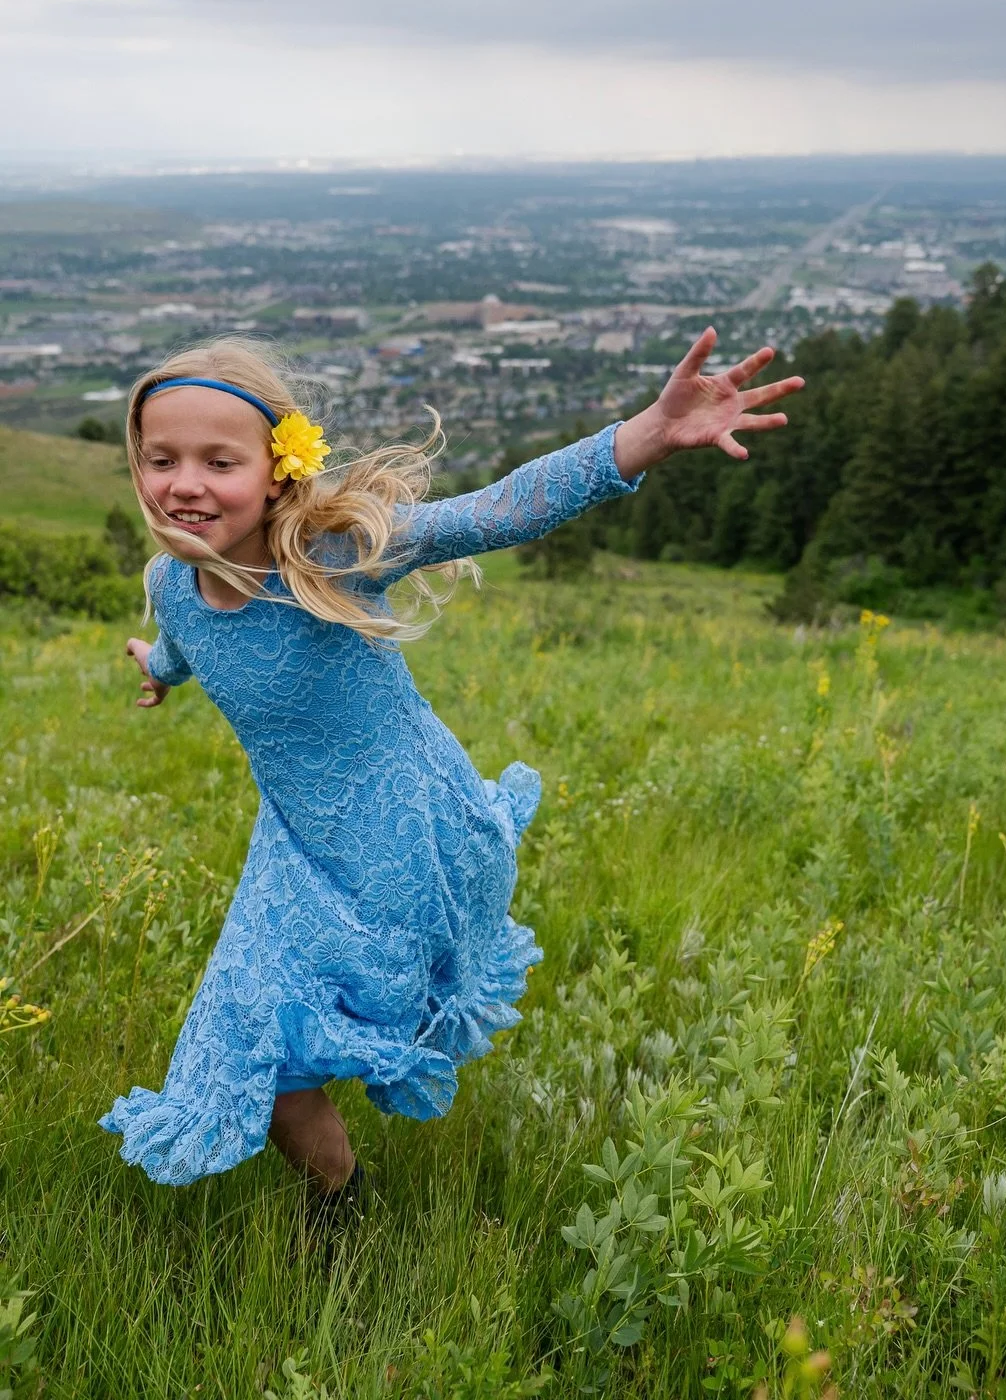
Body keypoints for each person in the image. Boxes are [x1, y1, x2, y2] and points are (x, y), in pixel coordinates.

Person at [100, 329, 802, 1200]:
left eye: (218, 460)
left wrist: (643, 437)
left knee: (334, 1017)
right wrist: (157, 670)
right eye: (162, 459)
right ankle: (339, 1201)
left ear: (277, 469)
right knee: (251, 1033)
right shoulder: (172, 581)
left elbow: (497, 510)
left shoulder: (336, 557)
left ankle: (345, 1201)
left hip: (403, 833)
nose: (187, 483)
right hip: (292, 845)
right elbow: (187, 641)